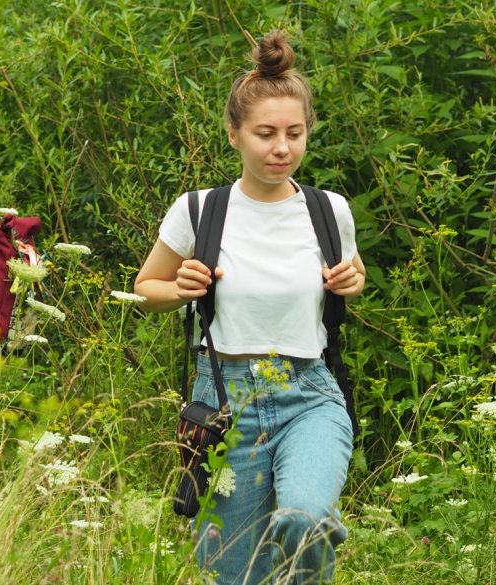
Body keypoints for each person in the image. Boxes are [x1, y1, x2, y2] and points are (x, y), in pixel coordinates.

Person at [133, 31, 366, 584]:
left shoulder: (330, 211)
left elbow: (348, 277)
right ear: (235, 134)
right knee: (232, 575)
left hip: (309, 393)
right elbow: (146, 289)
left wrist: (353, 280)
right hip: (223, 401)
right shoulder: (198, 211)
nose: (281, 147)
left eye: (294, 133)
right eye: (265, 134)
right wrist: (182, 286)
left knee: (307, 519)